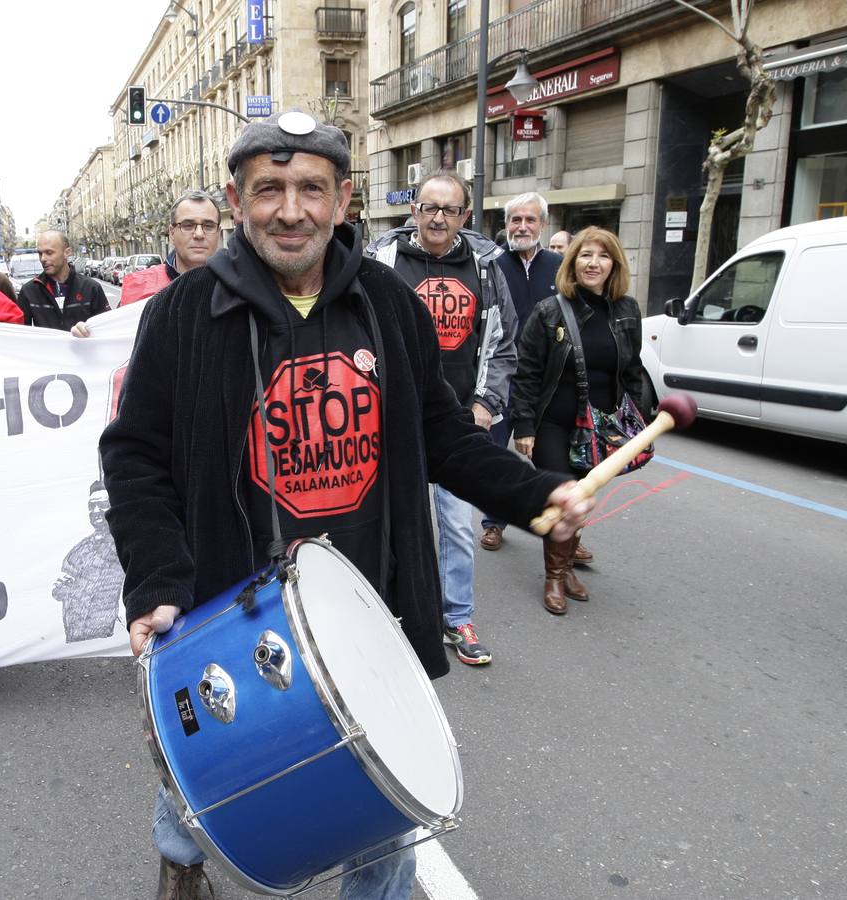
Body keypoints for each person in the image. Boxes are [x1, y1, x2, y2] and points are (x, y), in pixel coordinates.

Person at [100, 113, 591, 899]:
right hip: (233, 600)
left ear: (343, 199)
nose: (291, 210)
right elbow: (135, 457)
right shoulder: (184, 314)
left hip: (371, 600)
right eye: (269, 189)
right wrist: (157, 579)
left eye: (311, 189)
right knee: (203, 754)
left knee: (383, 793)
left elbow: (443, 434)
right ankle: (181, 854)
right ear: (237, 200)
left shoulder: (389, 304)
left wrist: (536, 493)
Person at [367, 172, 516, 666]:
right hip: (393, 421)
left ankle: (458, 618)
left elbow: (502, 345)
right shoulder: (383, 263)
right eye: (429, 207)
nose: (437, 218)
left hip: (456, 422)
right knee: (388, 523)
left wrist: (484, 406)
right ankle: (384, 616)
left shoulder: (485, 268)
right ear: (414, 210)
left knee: (456, 528)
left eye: (449, 210)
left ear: (465, 216)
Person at [511, 226, 645, 615]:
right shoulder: (549, 311)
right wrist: (524, 426)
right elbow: (527, 373)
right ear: (573, 262)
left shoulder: (627, 310)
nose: (593, 263)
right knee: (564, 493)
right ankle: (555, 577)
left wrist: (636, 425)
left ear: (614, 265)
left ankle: (567, 566)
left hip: (602, 427)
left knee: (583, 496)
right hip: (553, 423)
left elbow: (632, 372)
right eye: (586, 255)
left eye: (603, 256)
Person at [478, 193, 566, 554]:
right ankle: (493, 522)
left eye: (530, 220)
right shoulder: (492, 265)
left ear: (543, 224)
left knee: (552, 459)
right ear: (506, 224)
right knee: (495, 457)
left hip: (545, 383)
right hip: (503, 379)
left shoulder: (560, 266)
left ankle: (563, 533)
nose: (523, 227)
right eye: (516, 220)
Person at [119, 189, 222, 305]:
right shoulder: (139, 290)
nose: (199, 234)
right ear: (172, 233)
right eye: (188, 225)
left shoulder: (235, 287)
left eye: (208, 226)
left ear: (218, 233)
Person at [16, 230, 109, 334]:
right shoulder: (28, 291)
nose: (43, 259)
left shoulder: (91, 288)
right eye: (40, 253)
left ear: (67, 252)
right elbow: (21, 334)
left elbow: (107, 328)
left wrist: (86, 333)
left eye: (49, 253)